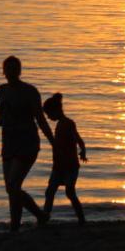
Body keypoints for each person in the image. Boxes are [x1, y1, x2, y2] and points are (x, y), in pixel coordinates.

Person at [0, 55, 54, 231]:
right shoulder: (2, 91)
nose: (12, 72)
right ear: (4, 72)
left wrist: (53, 142)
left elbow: (40, 119)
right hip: (9, 143)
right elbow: (4, 118)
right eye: (9, 69)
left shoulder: (30, 91)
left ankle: (40, 215)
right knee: (11, 188)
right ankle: (15, 226)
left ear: (20, 71)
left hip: (27, 143)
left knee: (13, 186)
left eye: (15, 68)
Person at [40, 93, 87, 225]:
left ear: (56, 110)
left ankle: (82, 220)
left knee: (70, 192)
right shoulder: (60, 124)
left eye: (49, 114)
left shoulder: (68, 123)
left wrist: (82, 151)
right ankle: (45, 218)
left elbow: (78, 139)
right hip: (59, 166)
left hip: (70, 166)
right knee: (50, 191)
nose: (48, 117)